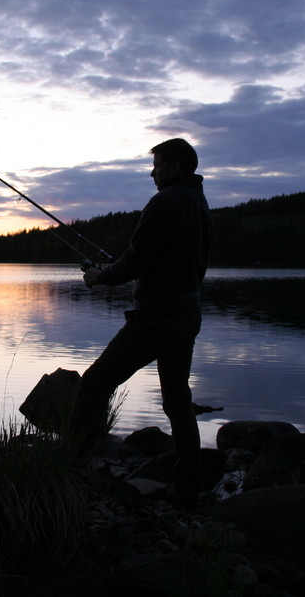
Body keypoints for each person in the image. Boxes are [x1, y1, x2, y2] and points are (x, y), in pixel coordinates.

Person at [70, 137, 213, 507]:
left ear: (177, 167)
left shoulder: (165, 202)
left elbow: (136, 260)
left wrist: (99, 277)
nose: (153, 172)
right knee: (178, 402)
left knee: (95, 384)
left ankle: (68, 469)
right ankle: (188, 486)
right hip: (187, 312)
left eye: (159, 165)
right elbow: (157, 259)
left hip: (157, 318)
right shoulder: (198, 201)